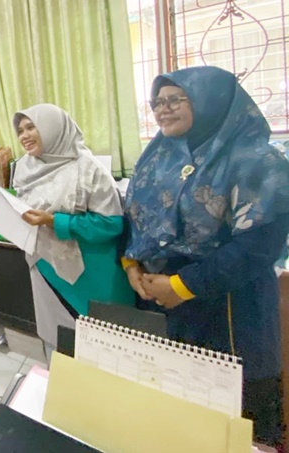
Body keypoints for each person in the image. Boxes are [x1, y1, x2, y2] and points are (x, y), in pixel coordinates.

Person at [123, 66, 289, 447]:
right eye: (156, 102)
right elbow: (134, 214)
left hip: (230, 307)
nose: (162, 110)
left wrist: (183, 285)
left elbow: (256, 250)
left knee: (237, 422)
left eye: (174, 99)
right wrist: (131, 261)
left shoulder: (259, 161)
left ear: (210, 100)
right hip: (165, 305)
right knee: (181, 412)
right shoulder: (160, 156)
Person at [12, 104, 135, 359]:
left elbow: (111, 225)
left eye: (31, 127)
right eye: (20, 130)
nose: (24, 135)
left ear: (52, 128)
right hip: (44, 266)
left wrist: (55, 221)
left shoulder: (88, 168)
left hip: (90, 275)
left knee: (104, 351)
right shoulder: (24, 166)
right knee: (59, 344)